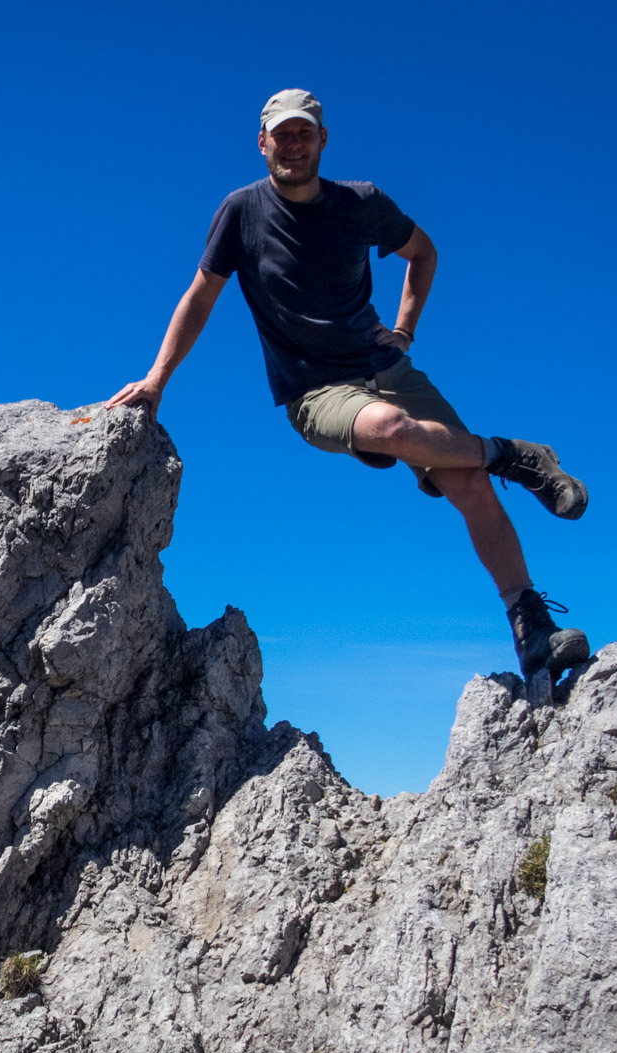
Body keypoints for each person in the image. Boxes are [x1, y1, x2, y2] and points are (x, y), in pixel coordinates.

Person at [108, 88, 589, 686]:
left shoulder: (361, 203)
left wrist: (405, 331)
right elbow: (200, 296)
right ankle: (516, 456)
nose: (292, 144)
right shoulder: (241, 212)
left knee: (466, 482)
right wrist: (157, 380)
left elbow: (423, 253)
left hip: (385, 367)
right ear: (262, 143)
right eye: (281, 134)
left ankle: (531, 628)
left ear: (322, 140)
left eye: (303, 132)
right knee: (390, 430)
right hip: (315, 392)